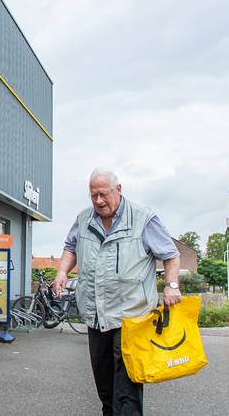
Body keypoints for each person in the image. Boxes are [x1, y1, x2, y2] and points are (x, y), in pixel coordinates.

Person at [54, 169, 182, 416]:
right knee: (104, 387)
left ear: (119, 190)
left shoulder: (143, 218)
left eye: (103, 194)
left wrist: (171, 285)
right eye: (93, 196)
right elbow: (71, 246)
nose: (99, 201)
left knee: (127, 390)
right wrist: (61, 272)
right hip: (96, 315)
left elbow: (171, 255)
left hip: (130, 317)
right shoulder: (83, 218)